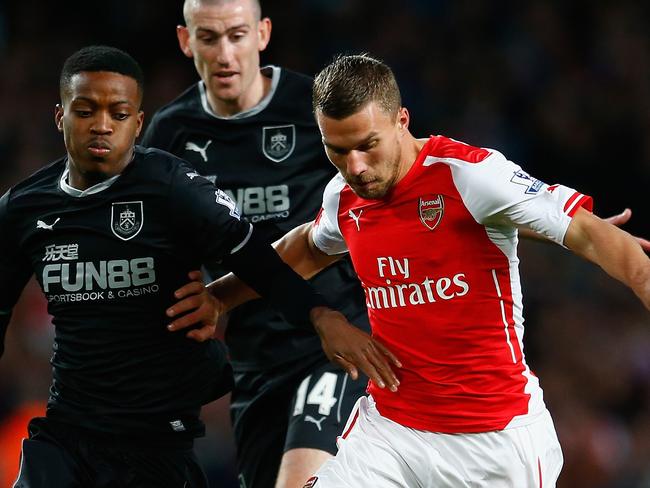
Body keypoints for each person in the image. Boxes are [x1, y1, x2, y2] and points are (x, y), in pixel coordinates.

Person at [170, 54, 650, 487]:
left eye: (366, 145)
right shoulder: (345, 195)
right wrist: (219, 297)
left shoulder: (470, 175)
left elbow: (588, 233)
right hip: (392, 429)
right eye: (336, 150)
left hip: (494, 441)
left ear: (402, 120)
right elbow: (307, 248)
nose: (354, 166)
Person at [0, 46, 399, 488]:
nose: (101, 125)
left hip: (155, 438)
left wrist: (320, 315)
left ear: (137, 122)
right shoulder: (22, 208)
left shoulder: (173, 186)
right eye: (85, 110)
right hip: (68, 429)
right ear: (60, 116)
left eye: (118, 113)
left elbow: (256, 260)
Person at [140, 1, 376, 486]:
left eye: (237, 35)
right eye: (209, 39)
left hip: (335, 339)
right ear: (187, 41)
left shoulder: (314, 107)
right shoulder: (170, 134)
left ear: (263, 34)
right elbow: (161, 253)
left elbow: (381, 179)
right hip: (253, 360)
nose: (225, 54)